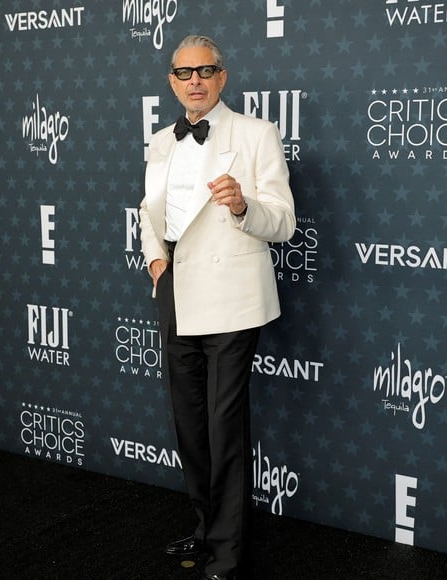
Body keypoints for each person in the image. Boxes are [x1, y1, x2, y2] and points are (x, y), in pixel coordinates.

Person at [138, 35, 296, 580]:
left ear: (223, 77)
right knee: (189, 426)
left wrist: (245, 205)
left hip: (232, 299)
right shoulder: (161, 141)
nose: (196, 81)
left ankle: (228, 553)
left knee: (224, 427)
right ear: (172, 82)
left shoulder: (256, 135)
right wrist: (156, 262)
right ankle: (205, 531)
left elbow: (284, 221)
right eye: (184, 73)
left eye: (206, 71)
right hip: (175, 296)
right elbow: (147, 211)